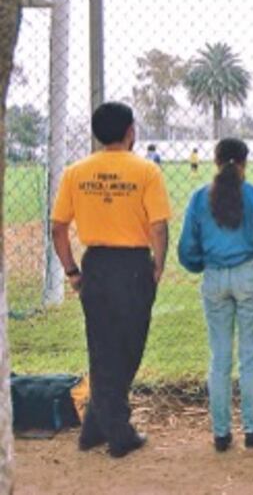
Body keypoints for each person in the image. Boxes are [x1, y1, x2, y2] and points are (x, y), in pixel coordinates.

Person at [50, 102, 171, 458]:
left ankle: (94, 427)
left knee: (102, 348)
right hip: (133, 264)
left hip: (97, 264)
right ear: (130, 131)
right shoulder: (146, 171)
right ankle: (119, 433)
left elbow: (58, 228)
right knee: (129, 349)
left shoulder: (76, 172)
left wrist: (73, 271)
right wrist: (158, 267)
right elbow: (159, 227)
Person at [177, 138, 253, 452]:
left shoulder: (199, 198)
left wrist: (204, 265)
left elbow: (187, 249)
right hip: (251, 276)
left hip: (214, 277)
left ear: (215, 161)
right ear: (244, 162)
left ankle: (221, 433)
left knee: (220, 356)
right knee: (250, 356)